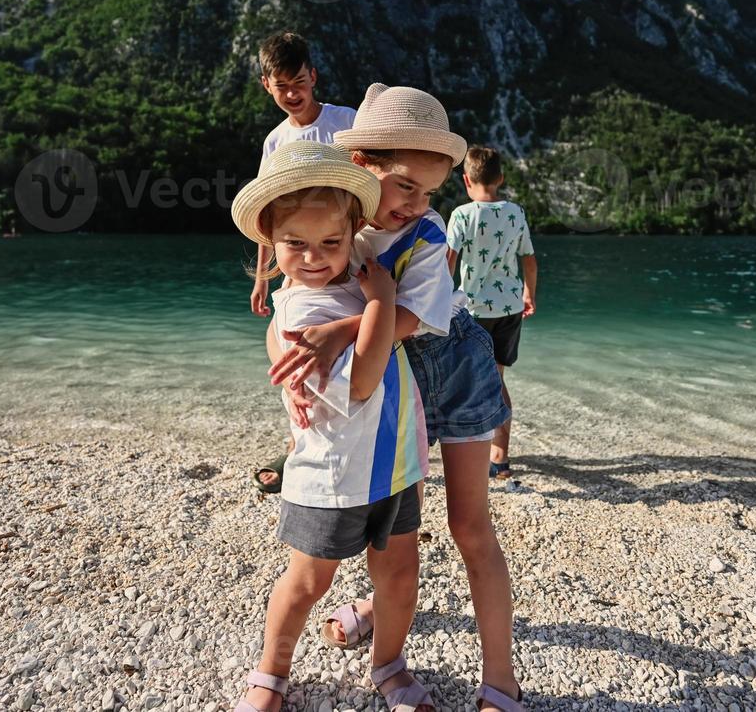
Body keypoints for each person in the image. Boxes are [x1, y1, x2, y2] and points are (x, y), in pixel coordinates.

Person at [268, 85, 525, 712]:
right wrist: (283, 349)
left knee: (468, 524)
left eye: (430, 191)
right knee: (382, 504)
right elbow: (292, 289)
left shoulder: (428, 237)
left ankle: (500, 681)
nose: (416, 204)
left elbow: (408, 318)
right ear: (362, 168)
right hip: (391, 387)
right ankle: (377, 614)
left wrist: (335, 332)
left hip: (453, 373)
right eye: (405, 186)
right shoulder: (340, 223)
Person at [230, 141, 433, 712]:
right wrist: (379, 302)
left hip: (392, 463)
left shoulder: (353, 280)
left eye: (331, 243)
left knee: (397, 575)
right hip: (331, 475)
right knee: (307, 582)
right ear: (271, 241)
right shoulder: (300, 314)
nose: (316, 257)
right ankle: (269, 674)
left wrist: (375, 298)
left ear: (352, 235)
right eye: (296, 244)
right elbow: (363, 380)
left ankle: (389, 664)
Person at [250, 31, 357, 494]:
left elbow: (373, 184)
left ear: (313, 77)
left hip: (344, 250)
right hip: (296, 258)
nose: (293, 94)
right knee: (285, 335)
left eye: (299, 82)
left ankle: (356, 435)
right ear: (266, 86)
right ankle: (301, 438)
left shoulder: (345, 122)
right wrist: (262, 277)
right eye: (281, 86)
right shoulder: (275, 143)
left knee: (352, 338)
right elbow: (268, 214)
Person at [446, 146, 537, 482]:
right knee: (497, 380)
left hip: (473, 310)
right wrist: (529, 292)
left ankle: (469, 451)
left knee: (467, 381)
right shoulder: (515, 213)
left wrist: (437, 298)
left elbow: (449, 259)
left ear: (467, 180)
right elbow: (529, 258)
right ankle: (500, 459)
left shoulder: (462, 215)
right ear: (500, 178)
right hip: (509, 308)